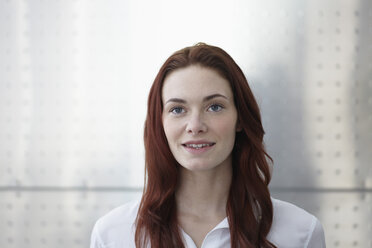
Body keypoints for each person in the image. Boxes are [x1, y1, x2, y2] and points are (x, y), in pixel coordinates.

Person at [90, 43, 326, 248]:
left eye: (214, 106)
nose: (195, 125)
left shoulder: (301, 234)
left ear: (240, 119)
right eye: (177, 109)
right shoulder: (112, 235)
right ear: (159, 123)